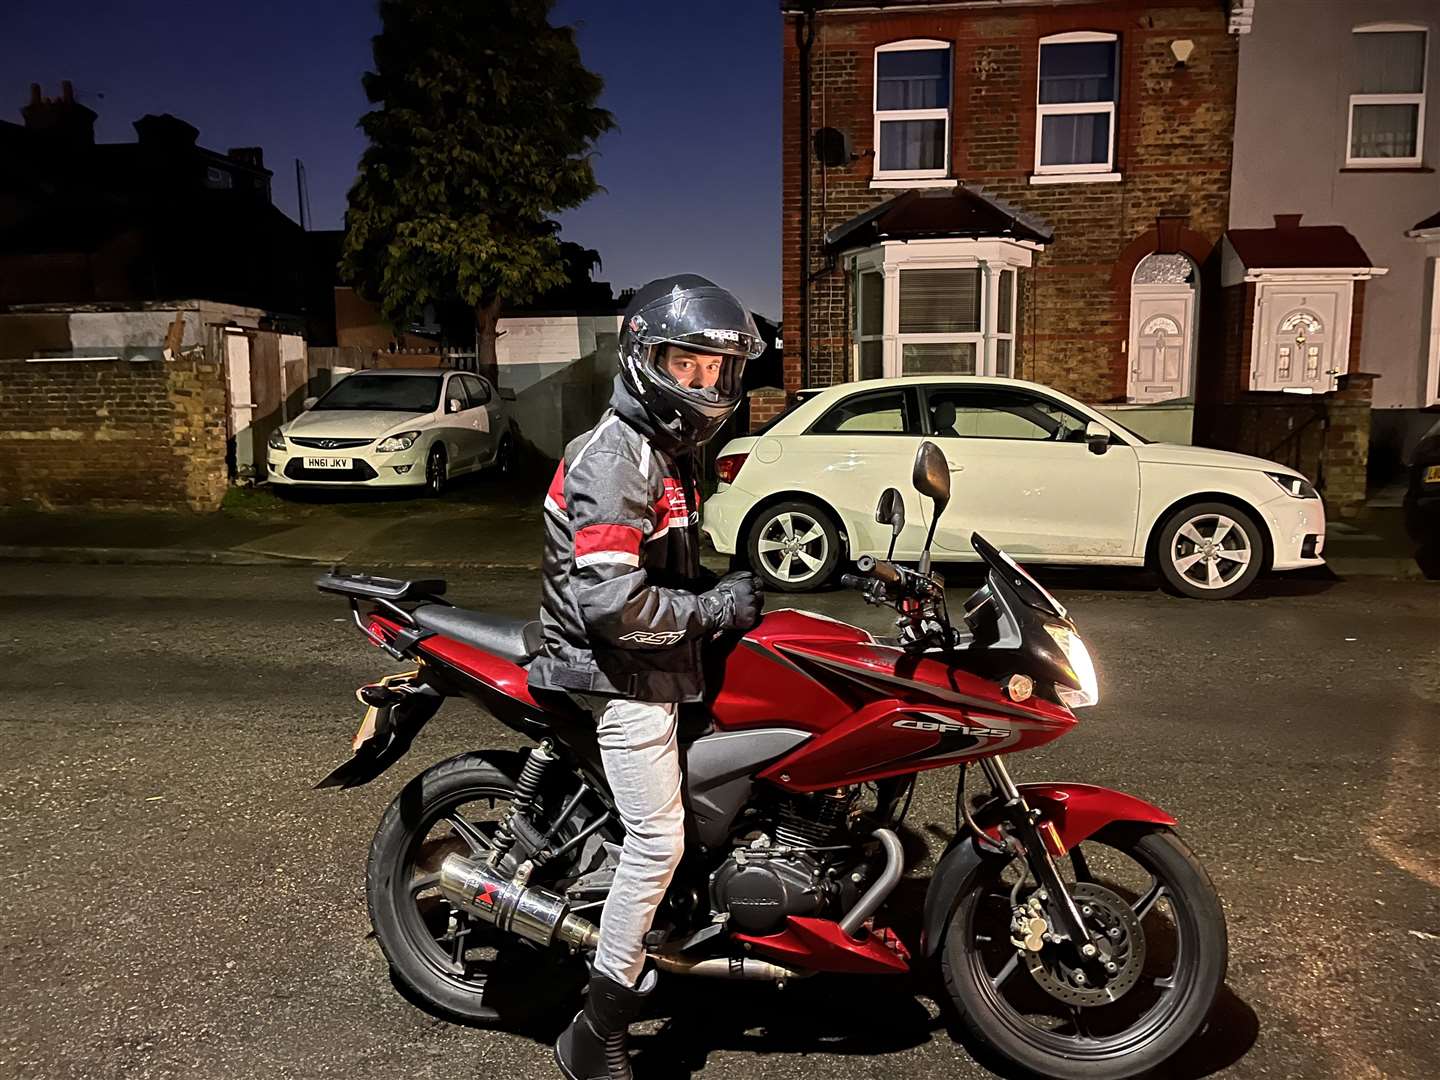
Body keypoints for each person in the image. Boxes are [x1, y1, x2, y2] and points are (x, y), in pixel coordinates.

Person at [528, 275, 767, 1080]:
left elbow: (661, 567)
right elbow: (612, 606)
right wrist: (712, 612)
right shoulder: (614, 457)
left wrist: (724, 593)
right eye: (687, 365)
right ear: (643, 358)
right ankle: (594, 1032)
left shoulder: (665, 455)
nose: (703, 385)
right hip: (615, 670)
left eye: (715, 372)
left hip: (654, 658)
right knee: (658, 839)